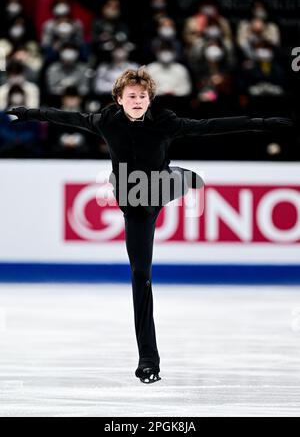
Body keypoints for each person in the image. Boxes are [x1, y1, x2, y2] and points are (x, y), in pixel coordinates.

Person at [6, 67, 293, 384]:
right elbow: (66, 117)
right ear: (119, 99)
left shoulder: (164, 122)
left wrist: (261, 124)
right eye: (132, 96)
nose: (138, 100)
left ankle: (180, 177)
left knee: (175, 182)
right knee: (140, 275)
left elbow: (209, 126)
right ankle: (148, 360)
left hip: (160, 187)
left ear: (149, 99)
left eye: (143, 96)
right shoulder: (106, 121)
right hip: (133, 204)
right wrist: (28, 113)